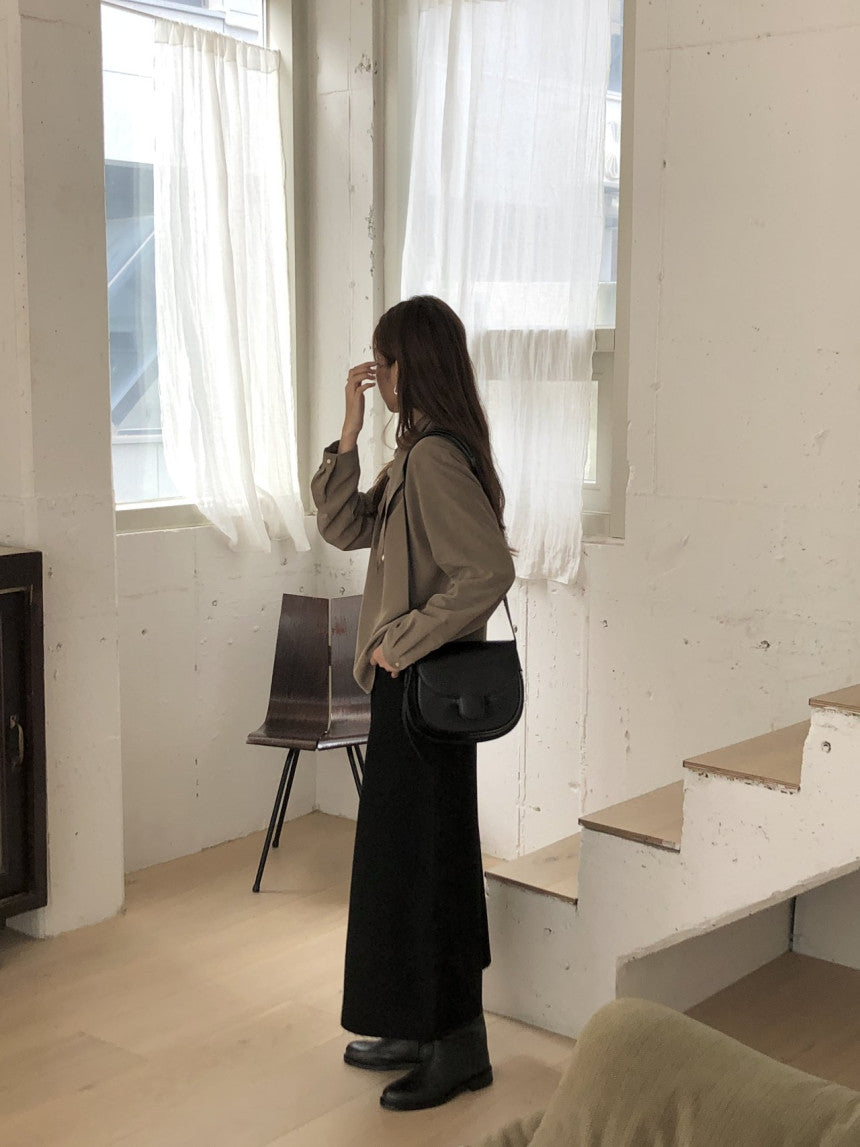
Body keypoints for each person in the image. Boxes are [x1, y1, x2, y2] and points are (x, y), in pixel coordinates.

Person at [311, 295, 516, 1112]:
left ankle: (458, 1046)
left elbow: (487, 571)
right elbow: (344, 525)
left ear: (410, 365)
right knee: (402, 863)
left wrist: (404, 637)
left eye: (383, 361)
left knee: (428, 867)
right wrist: (349, 435)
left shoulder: (433, 458)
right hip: (411, 692)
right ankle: (412, 1023)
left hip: (421, 687)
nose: (377, 374)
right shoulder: (417, 452)